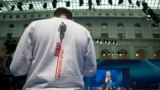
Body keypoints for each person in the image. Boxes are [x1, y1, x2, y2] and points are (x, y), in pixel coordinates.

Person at [10, 7, 97, 90]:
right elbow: (90, 70)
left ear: (53, 17)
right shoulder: (84, 32)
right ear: (72, 20)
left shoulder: (35, 25)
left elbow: (17, 68)